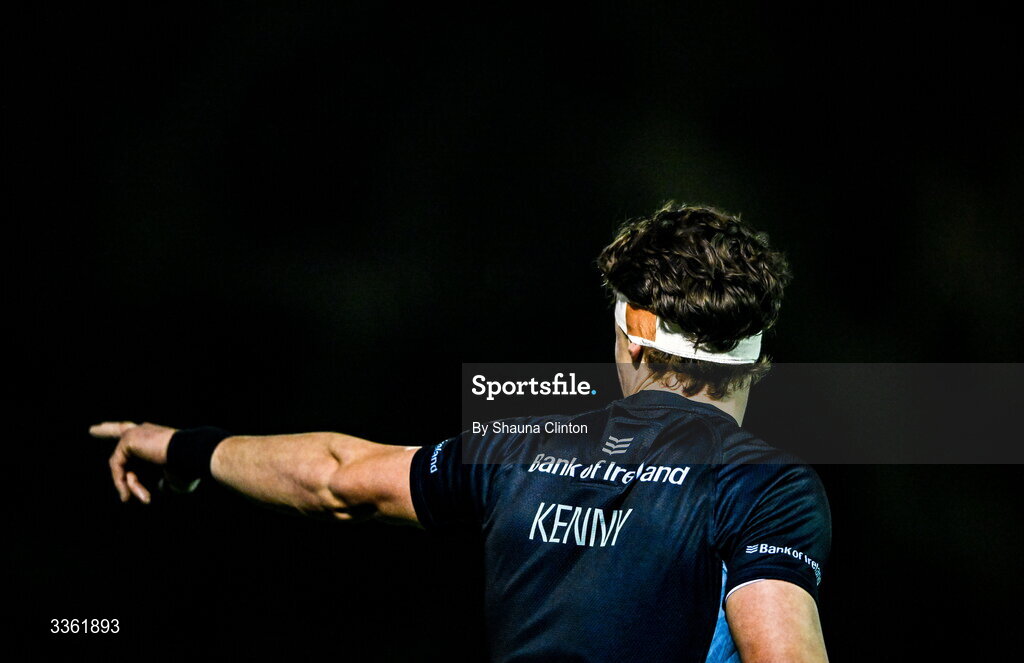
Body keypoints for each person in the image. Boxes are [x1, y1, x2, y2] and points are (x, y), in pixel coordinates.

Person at [91, 203, 830, 662]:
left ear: (631, 341)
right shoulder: (764, 485)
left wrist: (185, 445)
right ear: (756, 357)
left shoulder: (519, 447)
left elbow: (334, 475)